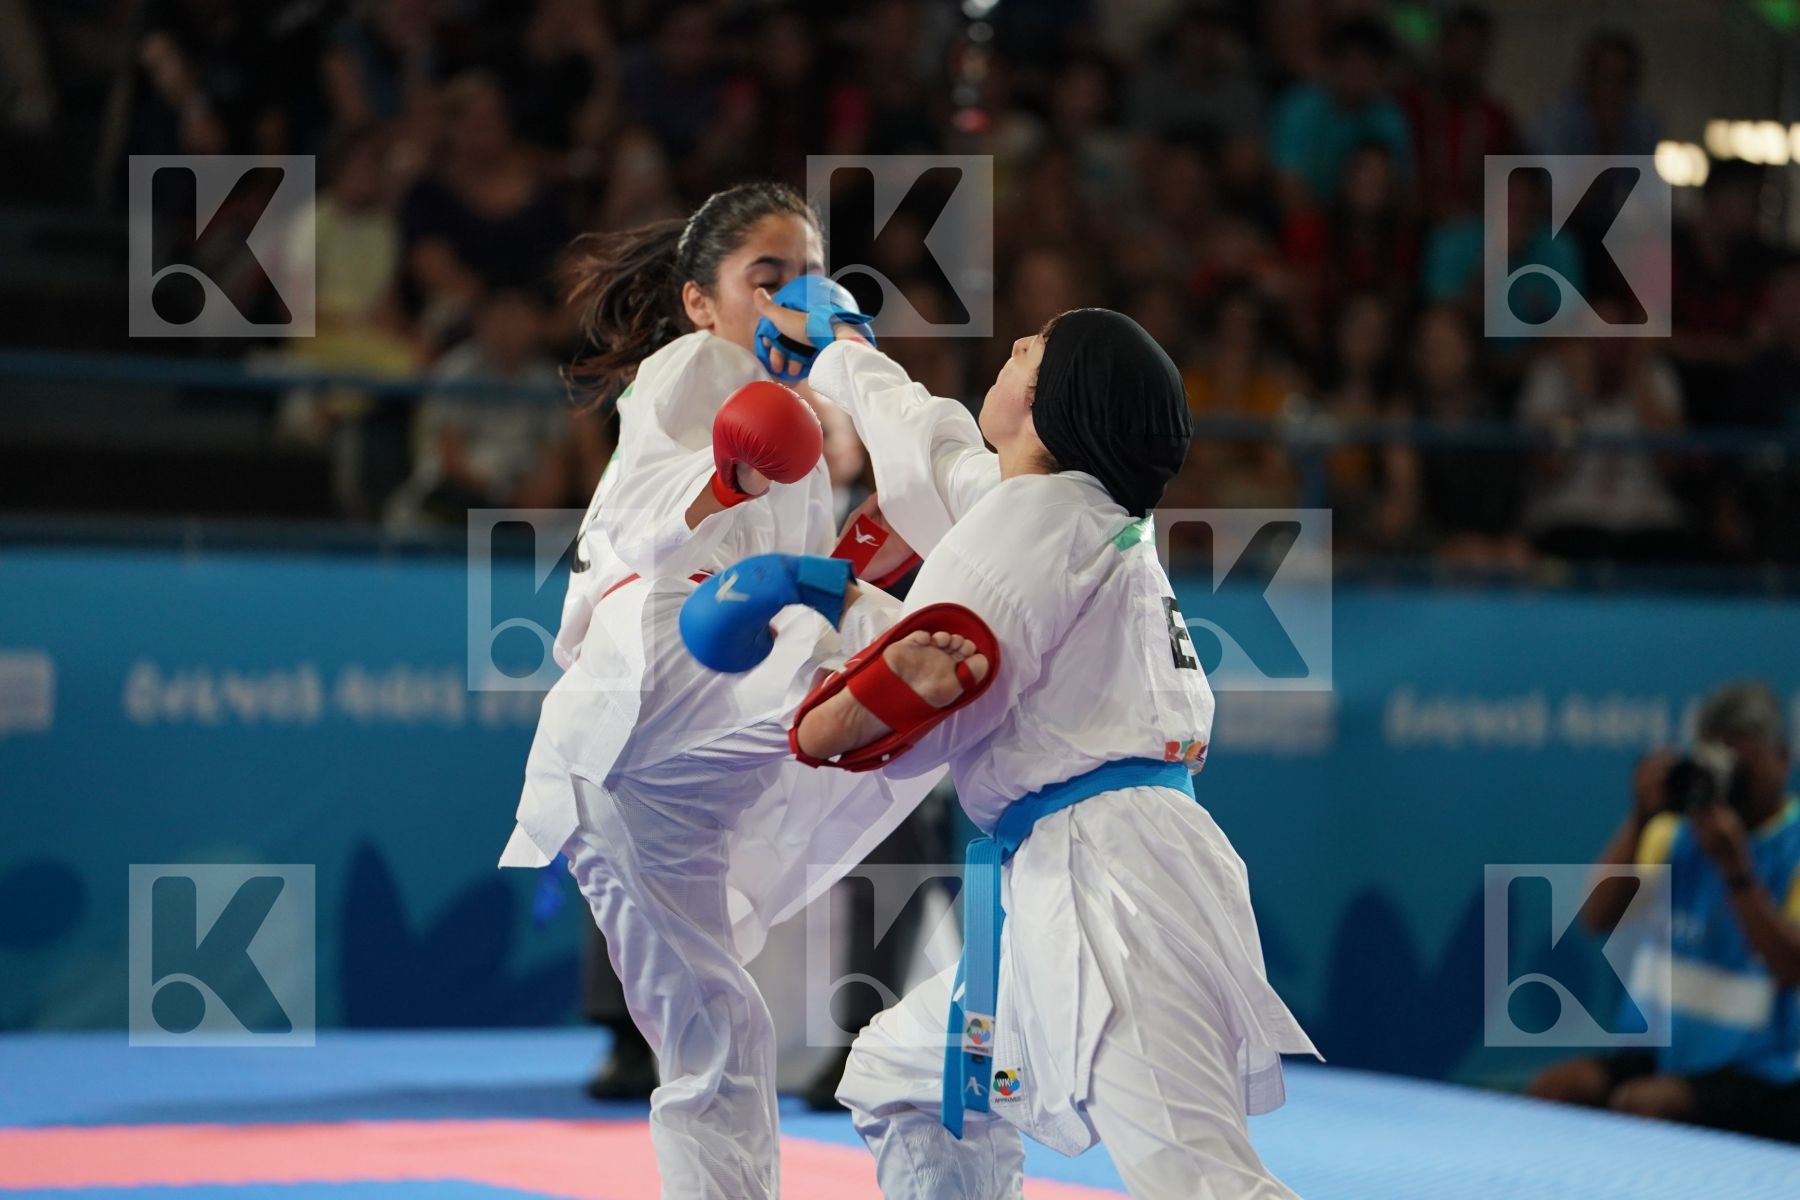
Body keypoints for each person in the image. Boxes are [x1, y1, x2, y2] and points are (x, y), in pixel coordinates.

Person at [699, 301, 1318, 1197]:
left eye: (1031, 347)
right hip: (1074, 869)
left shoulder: (1034, 521)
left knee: (1197, 1178)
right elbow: (928, 445)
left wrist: (826, 643)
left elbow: (917, 720)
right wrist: (844, 355)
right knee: (904, 1083)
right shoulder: (1057, 513)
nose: (1012, 348)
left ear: (1051, 399)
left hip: (1113, 890)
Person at [499, 181, 936, 1200]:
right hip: (651, 689)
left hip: (680, 769)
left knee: (719, 1036)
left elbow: (796, 573)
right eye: (765, 278)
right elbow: (620, 535)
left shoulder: (807, 418)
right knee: (886, 671)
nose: (791, 299)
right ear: (704, 301)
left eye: (808, 278)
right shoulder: (693, 368)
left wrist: (855, 548)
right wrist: (726, 484)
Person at [1530, 682, 1800, 1145]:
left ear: (1782, 759)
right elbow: (1596, 917)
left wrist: (1737, 870)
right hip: (1667, 1053)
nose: (1731, 781)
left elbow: (1791, 967)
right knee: (1553, 1091)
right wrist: (1640, 818)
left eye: (1745, 766)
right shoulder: (1676, 833)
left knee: (1644, 1106)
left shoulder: (1790, 847)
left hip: (1767, 1070)